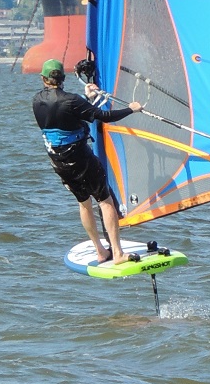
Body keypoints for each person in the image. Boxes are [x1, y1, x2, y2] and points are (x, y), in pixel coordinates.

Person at [32, 59, 143, 264]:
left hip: (58, 161)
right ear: (63, 78)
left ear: (43, 79)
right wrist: (131, 109)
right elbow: (104, 116)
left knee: (84, 204)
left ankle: (100, 251)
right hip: (80, 158)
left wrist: (87, 97)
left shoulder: (37, 100)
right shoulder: (73, 101)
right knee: (105, 201)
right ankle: (117, 254)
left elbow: (63, 110)